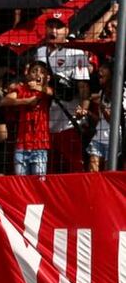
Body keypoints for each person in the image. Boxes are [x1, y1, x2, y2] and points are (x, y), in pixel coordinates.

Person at [33, 16, 90, 172]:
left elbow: (83, 86)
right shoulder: (40, 52)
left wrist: (84, 109)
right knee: (49, 170)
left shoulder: (75, 53)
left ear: (66, 30)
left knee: (74, 167)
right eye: (50, 27)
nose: (53, 31)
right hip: (45, 123)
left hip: (69, 122)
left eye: (58, 27)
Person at [0, 60, 52, 176]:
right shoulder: (22, 90)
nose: (38, 74)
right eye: (34, 71)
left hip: (40, 144)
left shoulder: (47, 91)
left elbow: (49, 92)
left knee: (39, 181)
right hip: (22, 144)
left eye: (42, 72)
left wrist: (37, 87)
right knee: (21, 182)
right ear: (28, 74)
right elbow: (5, 100)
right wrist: (25, 101)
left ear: (48, 77)